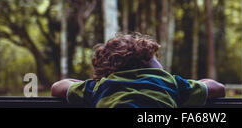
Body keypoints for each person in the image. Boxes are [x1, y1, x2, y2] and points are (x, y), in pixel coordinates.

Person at [51, 33, 225, 108]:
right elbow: (217, 88)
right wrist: (200, 83)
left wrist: (83, 83)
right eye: (156, 59)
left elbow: (58, 87)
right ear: (146, 62)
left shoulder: (101, 87)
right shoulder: (169, 83)